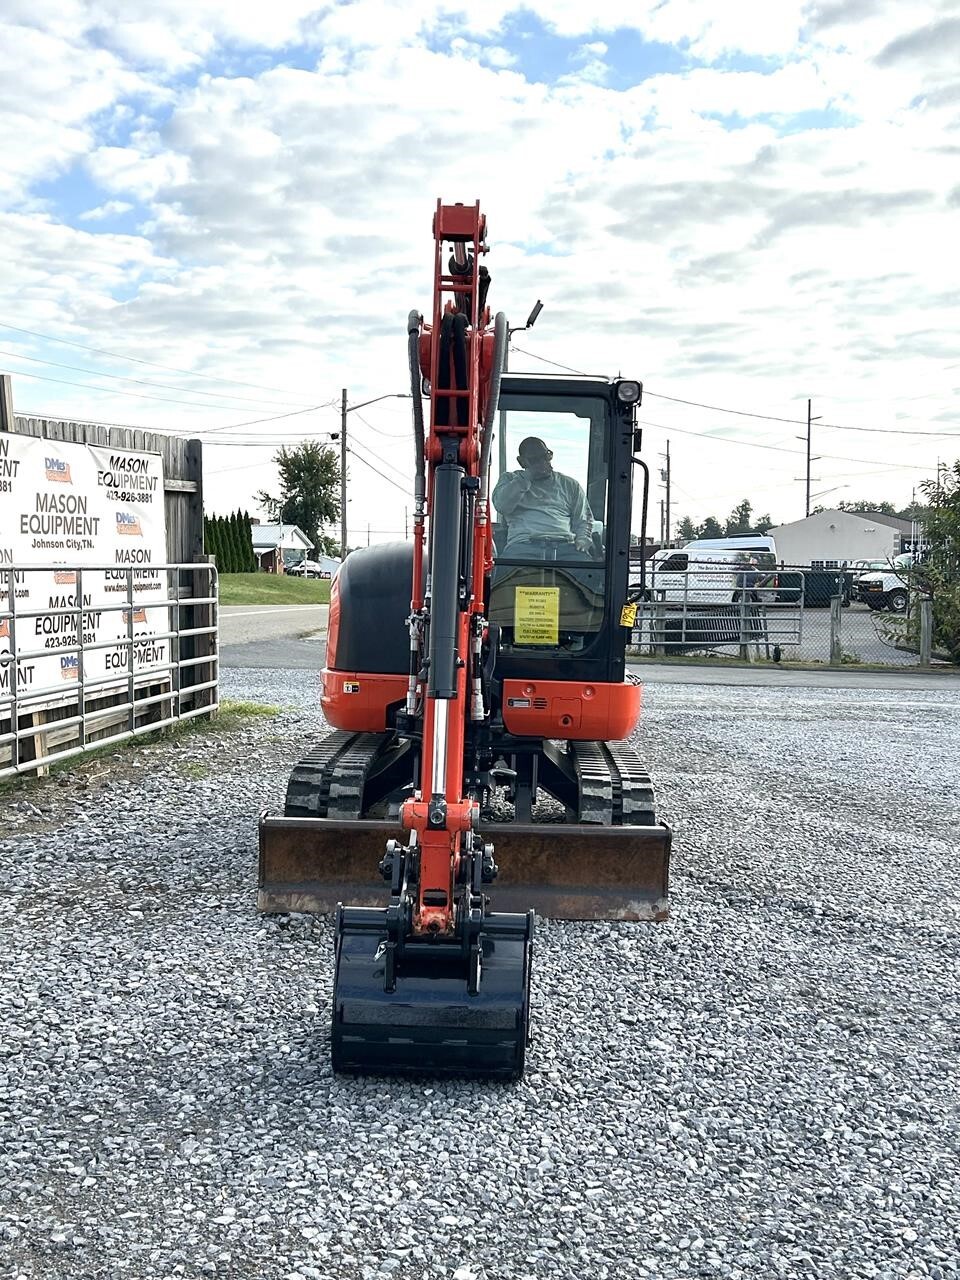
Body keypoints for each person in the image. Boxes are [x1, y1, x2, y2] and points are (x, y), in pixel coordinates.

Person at [491, 437, 596, 556]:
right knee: (503, 573)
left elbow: (583, 519)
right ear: (522, 462)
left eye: (546, 457)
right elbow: (502, 506)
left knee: (589, 572)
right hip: (522, 546)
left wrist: (582, 539)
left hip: (565, 546)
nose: (542, 462)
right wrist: (526, 478)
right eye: (535, 460)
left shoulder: (569, 485)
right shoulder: (509, 480)